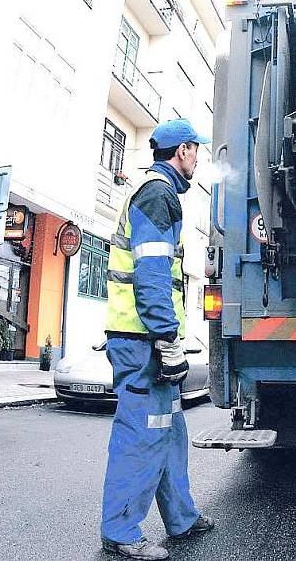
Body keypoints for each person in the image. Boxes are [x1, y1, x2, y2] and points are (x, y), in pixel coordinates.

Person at [101, 119, 214, 560]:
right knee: (142, 432)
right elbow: (149, 274)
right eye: (195, 151)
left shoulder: (155, 193)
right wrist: (166, 338)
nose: (198, 159)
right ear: (182, 151)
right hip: (142, 339)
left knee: (169, 429)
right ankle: (120, 530)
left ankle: (181, 518)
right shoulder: (158, 194)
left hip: (143, 335)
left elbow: (161, 271)